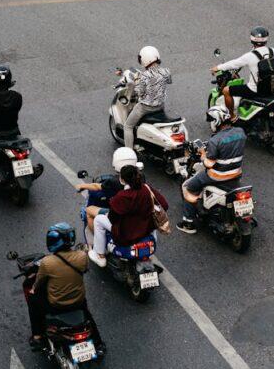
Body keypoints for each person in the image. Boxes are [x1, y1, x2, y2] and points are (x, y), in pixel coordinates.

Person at [27, 223, 105, 355]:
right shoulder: (82, 256)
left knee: (33, 299)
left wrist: (33, 289)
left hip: (57, 305)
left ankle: (37, 337)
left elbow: (38, 283)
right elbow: (84, 270)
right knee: (87, 314)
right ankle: (98, 343)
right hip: (78, 302)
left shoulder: (47, 262)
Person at [178, 105, 245, 234]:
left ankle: (188, 223)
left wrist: (203, 153)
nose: (210, 124)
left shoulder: (215, 141)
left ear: (217, 121)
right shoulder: (240, 132)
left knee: (189, 187)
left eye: (211, 121)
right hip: (236, 173)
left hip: (217, 176)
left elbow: (209, 163)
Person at [85, 164, 169, 267]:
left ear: (122, 180)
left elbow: (112, 218)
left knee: (98, 219)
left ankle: (100, 255)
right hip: (145, 229)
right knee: (152, 225)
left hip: (125, 234)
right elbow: (164, 205)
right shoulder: (147, 189)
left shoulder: (122, 196)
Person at [211, 26, 274, 121]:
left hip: (255, 89)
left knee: (226, 90)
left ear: (252, 39)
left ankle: (232, 116)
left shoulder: (250, 56)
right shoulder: (273, 51)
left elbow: (234, 63)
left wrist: (217, 68)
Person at [124, 46, 173, 152]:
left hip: (145, 108)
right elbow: (169, 81)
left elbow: (139, 93)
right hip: (160, 106)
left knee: (128, 126)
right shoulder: (166, 71)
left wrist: (137, 80)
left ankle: (128, 152)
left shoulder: (144, 76)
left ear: (144, 60)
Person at [75, 147, 141, 208]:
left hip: (116, 213)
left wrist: (81, 185)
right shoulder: (140, 178)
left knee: (89, 210)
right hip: (134, 209)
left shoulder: (113, 181)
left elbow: (96, 186)